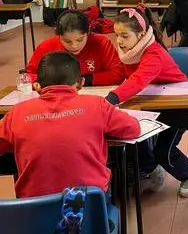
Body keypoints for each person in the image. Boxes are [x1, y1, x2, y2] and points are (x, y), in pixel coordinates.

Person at [0, 51, 140, 198]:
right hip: (86, 205)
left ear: (36, 86)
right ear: (81, 83)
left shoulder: (17, 113)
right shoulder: (97, 105)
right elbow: (133, 128)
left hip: (35, 207)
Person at [106, 5, 188, 198]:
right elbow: (119, 75)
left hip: (178, 106)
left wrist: (111, 98)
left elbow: (138, 80)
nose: (119, 41)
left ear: (140, 35)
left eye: (124, 36)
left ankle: (187, 171)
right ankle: (152, 168)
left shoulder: (154, 53)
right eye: (117, 35)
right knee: (130, 138)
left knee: (163, 152)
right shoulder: (129, 52)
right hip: (150, 104)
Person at [26, 10, 124, 86]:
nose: (74, 46)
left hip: (93, 91)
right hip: (58, 94)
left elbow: (119, 73)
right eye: (67, 41)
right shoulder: (46, 46)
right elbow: (29, 74)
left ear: (88, 32)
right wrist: (50, 83)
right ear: (58, 35)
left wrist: (88, 80)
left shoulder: (101, 42)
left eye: (80, 40)